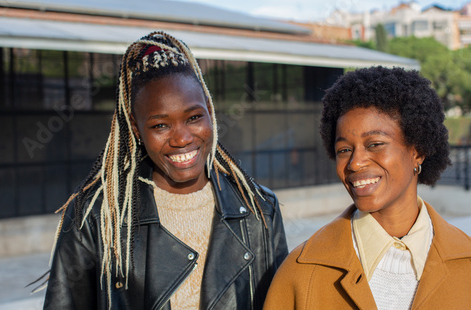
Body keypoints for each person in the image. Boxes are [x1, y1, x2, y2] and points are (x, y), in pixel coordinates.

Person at [43, 31, 288, 310]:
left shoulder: (259, 209)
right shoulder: (98, 216)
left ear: (210, 110)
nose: (182, 138)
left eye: (194, 118)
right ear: (136, 128)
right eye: (160, 125)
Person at [263, 66, 471, 309]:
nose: (355, 162)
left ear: (418, 152)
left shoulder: (466, 260)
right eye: (344, 150)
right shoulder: (300, 272)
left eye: (375, 144)